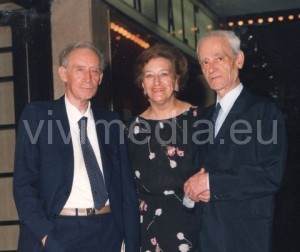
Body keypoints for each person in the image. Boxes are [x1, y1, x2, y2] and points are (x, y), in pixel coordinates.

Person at [13, 41, 139, 252]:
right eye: (79, 70)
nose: (88, 78)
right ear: (63, 73)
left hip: (108, 232)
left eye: (94, 71)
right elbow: (23, 185)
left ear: (100, 77)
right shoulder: (38, 116)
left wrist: (130, 242)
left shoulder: (111, 122)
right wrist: (46, 237)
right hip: (59, 232)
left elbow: (126, 189)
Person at [184, 30, 287, 252]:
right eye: (205, 61)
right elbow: (197, 175)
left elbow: (271, 174)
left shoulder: (264, 112)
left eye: (219, 58)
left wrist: (213, 183)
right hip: (203, 240)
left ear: (239, 60)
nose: (211, 68)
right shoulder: (202, 118)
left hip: (244, 239)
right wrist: (191, 193)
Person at [126, 44, 201, 252]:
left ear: (176, 81)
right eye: (149, 76)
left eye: (164, 74)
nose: (157, 82)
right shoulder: (131, 129)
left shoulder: (201, 120)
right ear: (142, 84)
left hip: (193, 228)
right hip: (146, 229)